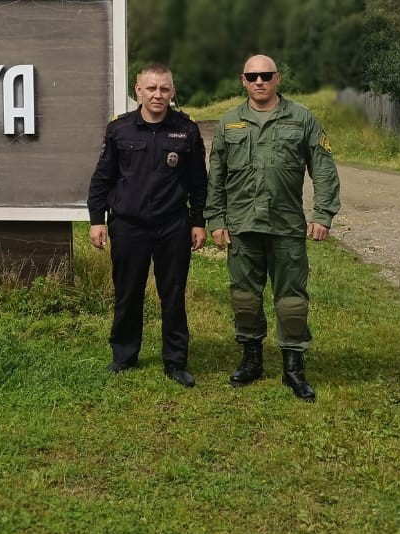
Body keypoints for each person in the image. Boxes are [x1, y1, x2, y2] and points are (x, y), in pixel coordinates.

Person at [206, 54, 340, 400]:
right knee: (245, 299)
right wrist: (215, 218)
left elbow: (323, 168)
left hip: (285, 227)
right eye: (252, 77)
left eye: (266, 75)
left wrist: (322, 214)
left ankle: (293, 369)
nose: (259, 82)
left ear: (277, 78)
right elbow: (216, 175)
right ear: (243, 81)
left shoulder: (301, 118)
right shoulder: (230, 122)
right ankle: (251, 361)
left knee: (292, 301)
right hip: (243, 226)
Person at [87, 63, 208, 386]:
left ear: (172, 91)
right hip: (128, 225)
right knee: (128, 292)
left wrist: (198, 222)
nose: (158, 95)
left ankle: (175, 361)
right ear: (138, 90)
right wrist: (97, 220)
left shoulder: (187, 130)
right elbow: (102, 178)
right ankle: (124, 355)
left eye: (164, 89)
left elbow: (199, 182)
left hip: (173, 225)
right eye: (151, 88)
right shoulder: (119, 129)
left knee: (173, 294)